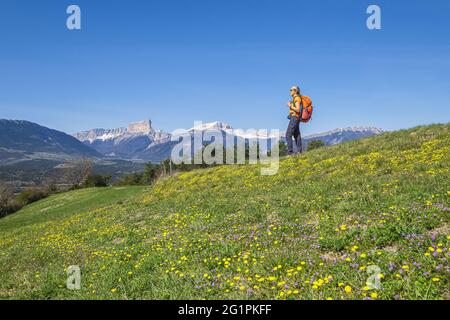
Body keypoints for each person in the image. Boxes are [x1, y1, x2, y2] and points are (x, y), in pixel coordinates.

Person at [285, 85, 303, 155]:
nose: (290, 91)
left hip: (295, 118)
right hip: (296, 118)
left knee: (288, 134)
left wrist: (290, 106)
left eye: (291, 90)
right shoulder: (296, 98)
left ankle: (290, 152)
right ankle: (299, 151)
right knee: (296, 134)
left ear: (295, 91)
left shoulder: (297, 98)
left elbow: (298, 110)